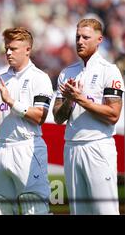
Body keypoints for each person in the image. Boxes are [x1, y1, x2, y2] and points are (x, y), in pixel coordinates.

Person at [52, 18, 123, 215]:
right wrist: (70, 101)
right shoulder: (67, 73)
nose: (80, 41)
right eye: (77, 37)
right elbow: (58, 117)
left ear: (99, 39)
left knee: (105, 211)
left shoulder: (109, 71)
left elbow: (113, 114)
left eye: (85, 37)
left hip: (98, 147)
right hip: (72, 148)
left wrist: (81, 99)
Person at [0, 27, 52, 215]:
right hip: (2, 148)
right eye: (7, 48)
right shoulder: (1, 79)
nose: (9, 53)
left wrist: (11, 102)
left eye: (14, 48)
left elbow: (40, 116)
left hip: (28, 147)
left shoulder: (40, 78)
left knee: (34, 209)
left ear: (28, 49)